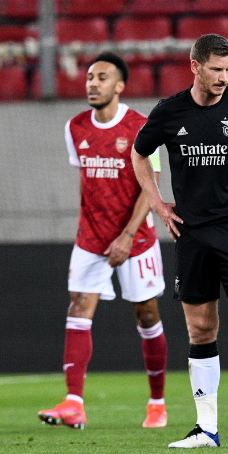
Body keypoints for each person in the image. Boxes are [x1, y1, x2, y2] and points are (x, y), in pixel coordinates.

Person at [131, 34, 228, 449]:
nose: (224, 77)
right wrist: (158, 205)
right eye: (217, 69)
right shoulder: (168, 112)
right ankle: (207, 429)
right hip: (192, 233)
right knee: (200, 329)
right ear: (195, 66)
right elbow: (138, 153)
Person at [38, 52, 169, 431]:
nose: (92, 84)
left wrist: (127, 235)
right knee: (78, 309)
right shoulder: (75, 127)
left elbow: (151, 186)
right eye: (90, 77)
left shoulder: (142, 127)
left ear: (120, 86)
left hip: (136, 238)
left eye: (102, 78)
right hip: (91, 238)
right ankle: (74, 404)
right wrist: (91, 228)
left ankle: (157, 403)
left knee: (147, 315)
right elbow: (86, 181)